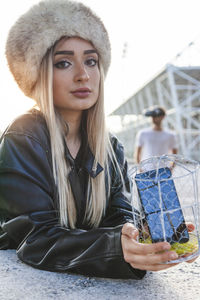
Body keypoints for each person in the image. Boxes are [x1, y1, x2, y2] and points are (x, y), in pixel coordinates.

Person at [0, 0, 195, 279]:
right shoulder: (23, 137)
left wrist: (138, 236)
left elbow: (119, 214)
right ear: (39, 75)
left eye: (91, 60)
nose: (83, 75)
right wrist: (116, 248)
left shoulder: (110, 147)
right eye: (63, 63)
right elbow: (35, 237)